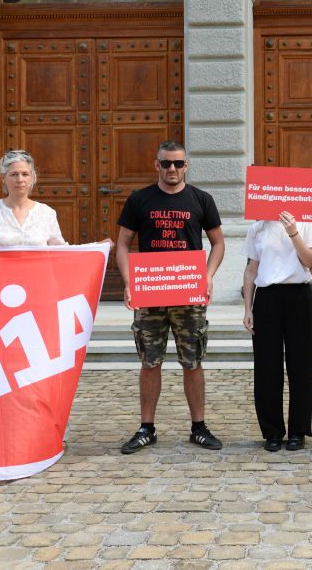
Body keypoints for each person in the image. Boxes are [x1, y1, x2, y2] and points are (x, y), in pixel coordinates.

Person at [116, 141, 226, 455]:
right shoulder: (140, 199)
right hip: (150, 292)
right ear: (157, 165)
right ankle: (146, 428)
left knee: (192, 362)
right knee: (150, 362)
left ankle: (199, 427)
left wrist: (207, 276)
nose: (172, 169)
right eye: (166, 164)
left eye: (178, 163)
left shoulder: (201, 199)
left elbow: (217, 243)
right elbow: (123, 244)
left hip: (188, 293)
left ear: (186, 165)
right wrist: (128, 281)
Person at [242, 211, 312, 452]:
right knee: (267, 366)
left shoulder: (308, 221)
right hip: (267, 296)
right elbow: (251, 270)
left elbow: (310, 260)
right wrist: (248, 308)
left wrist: (293, 232)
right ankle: (272, 431)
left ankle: (298, 430)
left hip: (298, 294)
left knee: (302, 365)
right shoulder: (258, 226)